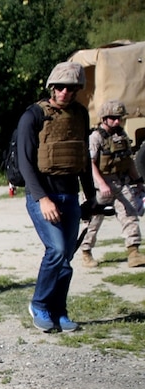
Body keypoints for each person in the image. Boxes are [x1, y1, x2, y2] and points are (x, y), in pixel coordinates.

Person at [17, 62, 97, 332]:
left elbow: (83, 156)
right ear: (52, 87)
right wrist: (42, 199)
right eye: (60, 87)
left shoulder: (80, 115)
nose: (65, 92)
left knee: (67, 257)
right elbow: (26, 162)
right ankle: (39, 304)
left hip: (70, 195)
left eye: (71, 88)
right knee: (58, 251)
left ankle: (59, 311)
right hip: (44, 195)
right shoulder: (34, 115)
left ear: (77, 90)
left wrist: (91, 197)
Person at [79, 100, 145, 269]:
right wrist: (101, 184)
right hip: (100, 185)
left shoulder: (121, 135)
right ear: (104, 118)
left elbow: (128, 161)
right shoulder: (95, 137)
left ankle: (134, 252)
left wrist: (138, 181)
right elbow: (90, 164)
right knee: (93, 220)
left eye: (119, 118)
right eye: (113, 118)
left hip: (120, 182)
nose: (117, 121)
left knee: (130, 215)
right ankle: (86, 252)